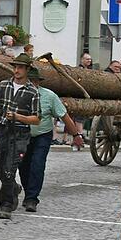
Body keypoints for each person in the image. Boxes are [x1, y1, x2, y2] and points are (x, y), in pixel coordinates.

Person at [17, 67, 84, 212]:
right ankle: (28, 193)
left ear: (37, 82)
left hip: (42, 135)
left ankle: (32, 199)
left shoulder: (49, 96)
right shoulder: (18, 94)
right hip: (23, 136)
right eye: (27, 81)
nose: (30, 84)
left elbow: (64, 116)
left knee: (37, 164)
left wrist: (76, 135)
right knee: (23, 166)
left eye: (33, 81)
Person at [0, 53, 40, 219]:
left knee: (10, 169)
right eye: (15, 67)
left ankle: (6, 205)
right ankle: (14, 187)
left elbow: (36, 119)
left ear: (27, 69)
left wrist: (18, 117)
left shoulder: (33, 91)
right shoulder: (3, 85)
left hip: (20, 134)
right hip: (3, 130)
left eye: (20, 67)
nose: (16, 70)